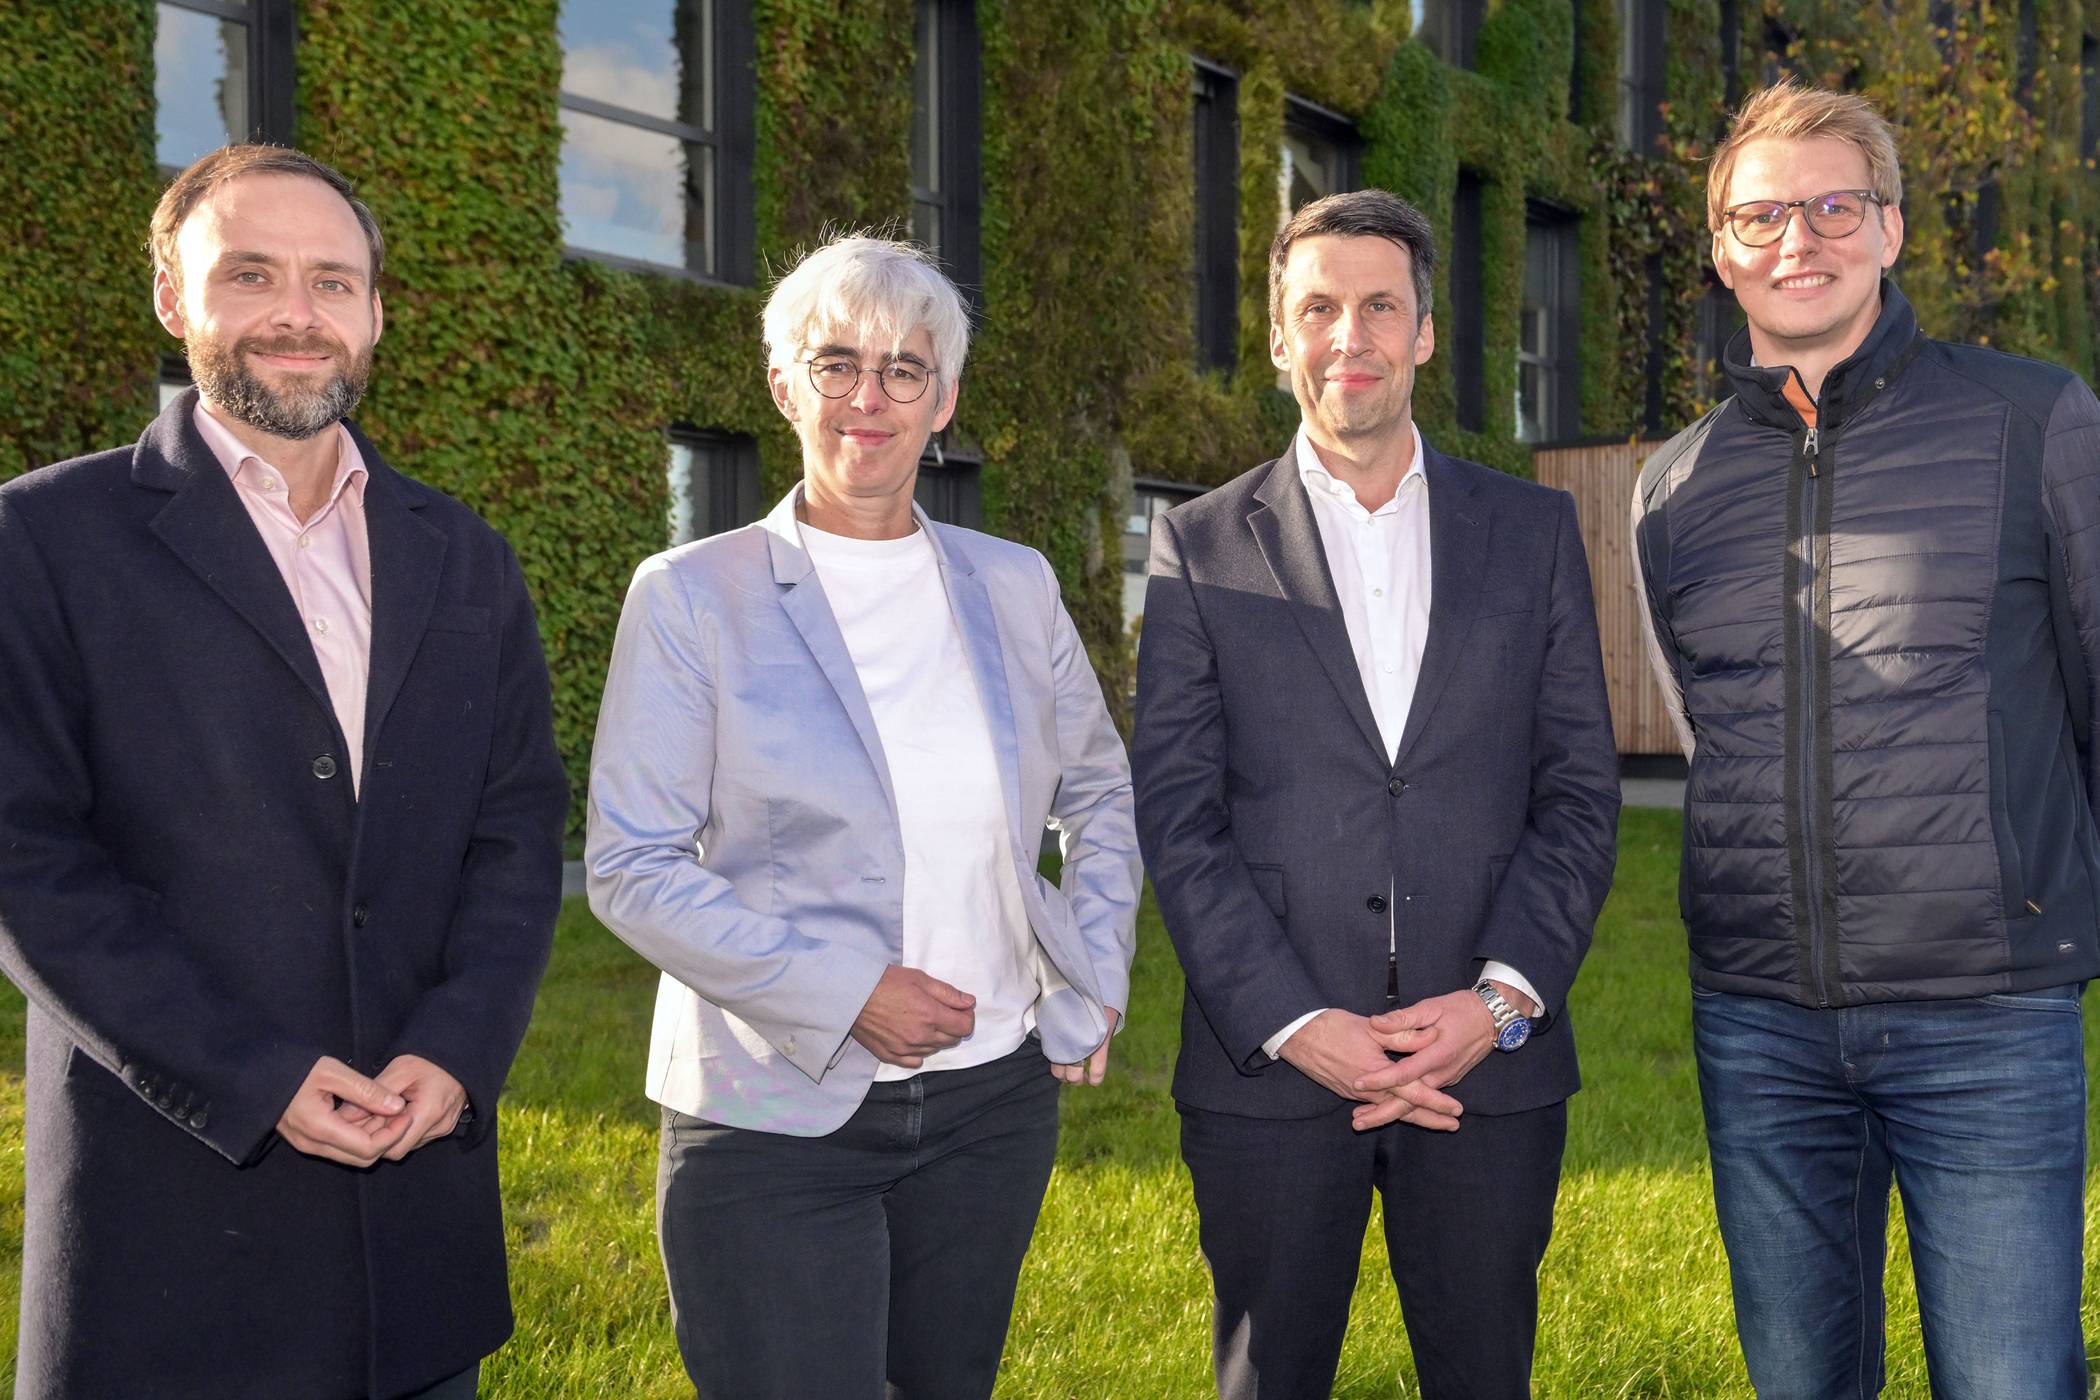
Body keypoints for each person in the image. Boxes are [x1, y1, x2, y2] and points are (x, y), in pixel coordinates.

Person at [0, 144, 568, 1399]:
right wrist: (249, 1075)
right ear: (171, 296)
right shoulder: (40, 537)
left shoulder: (466, 556)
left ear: (374, 311)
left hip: (413, 1240)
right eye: (250, 274)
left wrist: (461, 1047)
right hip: (173, 1233)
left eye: (332, 281)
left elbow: (516, 830)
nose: (296, 315)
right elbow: (27, 862)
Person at [585, 233, 1140, 1400]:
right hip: (772, 1119)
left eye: (904, 369)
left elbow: (1098, 786)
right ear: (784, 384)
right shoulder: (691, 596)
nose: (869, 399)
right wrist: (846, 993)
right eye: (836, 364)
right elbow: (632, 864)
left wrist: (1091, 972)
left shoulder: (1015, 581)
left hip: (992, 1109)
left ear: (946, 400)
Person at [1634, 80, 2098, 1396]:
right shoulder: (1675, 486)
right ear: (1723, 254)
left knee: (2011, 1379)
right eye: (1763, 215)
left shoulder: (2036, 421)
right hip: (1760, 1024)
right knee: (1799, 1380)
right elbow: (1703, 726)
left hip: (1987, 1015)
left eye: (1835, 206)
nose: (1800, 240)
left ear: (1892, 231)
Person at [1132, 189, 1620, 1399]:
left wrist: (1499, 1003)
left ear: (1425, 332)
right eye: (1319, 308)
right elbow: (1180, 819)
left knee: (1485, 1373)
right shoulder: (1197, 544)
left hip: (1487, 1071)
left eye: (1379, 306)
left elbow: (1577, 794)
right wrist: (1302, 1024)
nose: (1349, 334)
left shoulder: (1534, 530)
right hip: (1277, 1071)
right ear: (1281, 337)